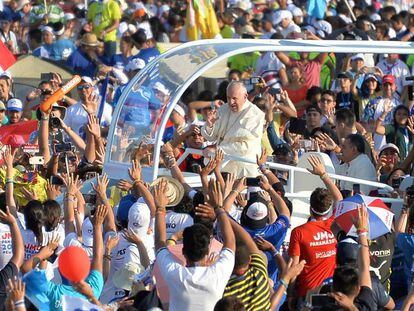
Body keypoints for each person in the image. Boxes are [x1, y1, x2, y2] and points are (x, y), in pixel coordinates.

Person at [154, 179, 236, 311]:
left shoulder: (175, 274)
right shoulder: (218, 274)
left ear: (183, 251)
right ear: (207, 251)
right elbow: (231, 241)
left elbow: (159, 242)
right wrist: (219, 208)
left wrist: (160, 208)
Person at [288, 155, 342, 308]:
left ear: (310, 206)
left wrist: (290, 294)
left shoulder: (299, 232)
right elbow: (340, 199)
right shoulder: (333, 224)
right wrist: (323, 175)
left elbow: (294, 266)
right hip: (330, 293)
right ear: (328, 208)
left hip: (307, 295)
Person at [201, 81, 265, 178]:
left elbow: (246, 146)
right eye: (228, 98)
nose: (231, 102)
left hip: (244, 168)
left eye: (235, 98)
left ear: (245, 96)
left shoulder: (255, 115)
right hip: (221, 166)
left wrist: (218, 150)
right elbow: (211, 137)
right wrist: (209, 125)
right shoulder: (223, 109)